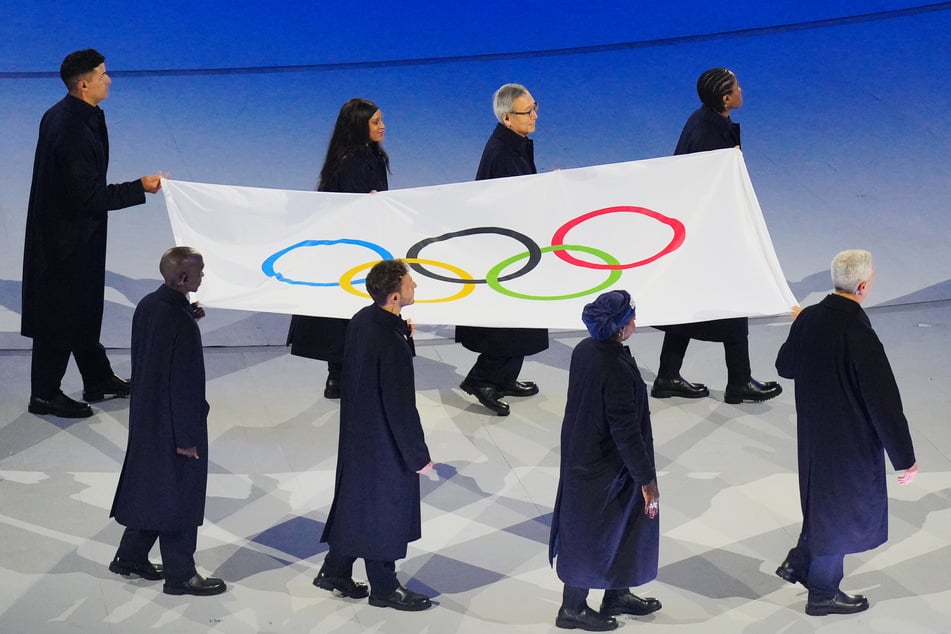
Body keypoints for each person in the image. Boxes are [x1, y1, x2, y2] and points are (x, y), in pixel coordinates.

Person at [774, 249, 918, 615]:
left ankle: (799, 561)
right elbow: (884, 402)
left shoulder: (808, 318)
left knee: (822, 504)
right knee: (838, 514)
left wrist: (799, 327)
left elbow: (785, 366)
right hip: (849, 443)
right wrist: (905, 460)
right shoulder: (858, 332)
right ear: (864, 286)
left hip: (812, 438)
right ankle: (822, 592)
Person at [21, 48, 163, 419]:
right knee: (60, 314)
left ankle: (97, 378)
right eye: (102, 75)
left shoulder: (70, 114)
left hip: (71, 231)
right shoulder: (71, 130)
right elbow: (89, 196)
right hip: (64, 240)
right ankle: (45, 394)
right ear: (84, 85)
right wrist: (140, 187)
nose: (109, 79)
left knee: (81, 308)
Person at [650, 67, 782, 404]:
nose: (741, 89)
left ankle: (668, 375)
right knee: (734, 303)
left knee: (689, 305)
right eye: (737, 86)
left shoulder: (703, 120)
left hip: (697, 232)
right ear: (725, 99)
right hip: (710, 235)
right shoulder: (710, 134)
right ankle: (738, 382)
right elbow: (715, 188)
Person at [317, 259, 434, 611]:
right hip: (385, 441)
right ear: (395, 296)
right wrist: (418, 455)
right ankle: (384, 587)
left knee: (360, 504)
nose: (416, 287)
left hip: (359, 434)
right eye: (411, 284)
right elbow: (399, 404)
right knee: (384, 512)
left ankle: (335, 570)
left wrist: (403, 335)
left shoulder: (363, 322)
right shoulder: (388, 339)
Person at [109, 247, 226, 596]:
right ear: (182, 278)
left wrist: (188, 315)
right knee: (180, 497)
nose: (203, 275)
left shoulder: (150, 306)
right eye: (199, 271)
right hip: (175, 426)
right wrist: (188, 437)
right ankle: (181, 574)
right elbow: (184, 385)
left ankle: (130, 557)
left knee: (154, 490)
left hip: (149, 419)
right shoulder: (178, 323)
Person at [549, 290, 662, 632]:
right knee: (589, 534)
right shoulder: (613, 367)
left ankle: (616, 592)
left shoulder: (586, 350)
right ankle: (572, 608)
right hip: (603, 467)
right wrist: (647, 480)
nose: (635, 323)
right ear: (621, 327)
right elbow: (625, 429)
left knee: (623, 526)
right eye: (631, 317)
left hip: (594, 459)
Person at [286, 98, 389, 400]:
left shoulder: (371, 156)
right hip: (349, 251)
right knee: (347, 315)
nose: (383, 126)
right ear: (359, 126)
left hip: (363, 247)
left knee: (350, 314)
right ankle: (343, 377)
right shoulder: (350, 162)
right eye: (375, 122)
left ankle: (343, 377)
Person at [456, 83, 548, 416]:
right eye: (528, 111)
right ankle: (481, 380)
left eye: (536, 107)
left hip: (518, 245)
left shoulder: (514, 144)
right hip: (507, 251)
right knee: (510, 325)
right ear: (508, 118)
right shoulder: (502, 153)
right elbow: (510, 205)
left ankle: (506, 378)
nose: (535, 115)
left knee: (522, 320)